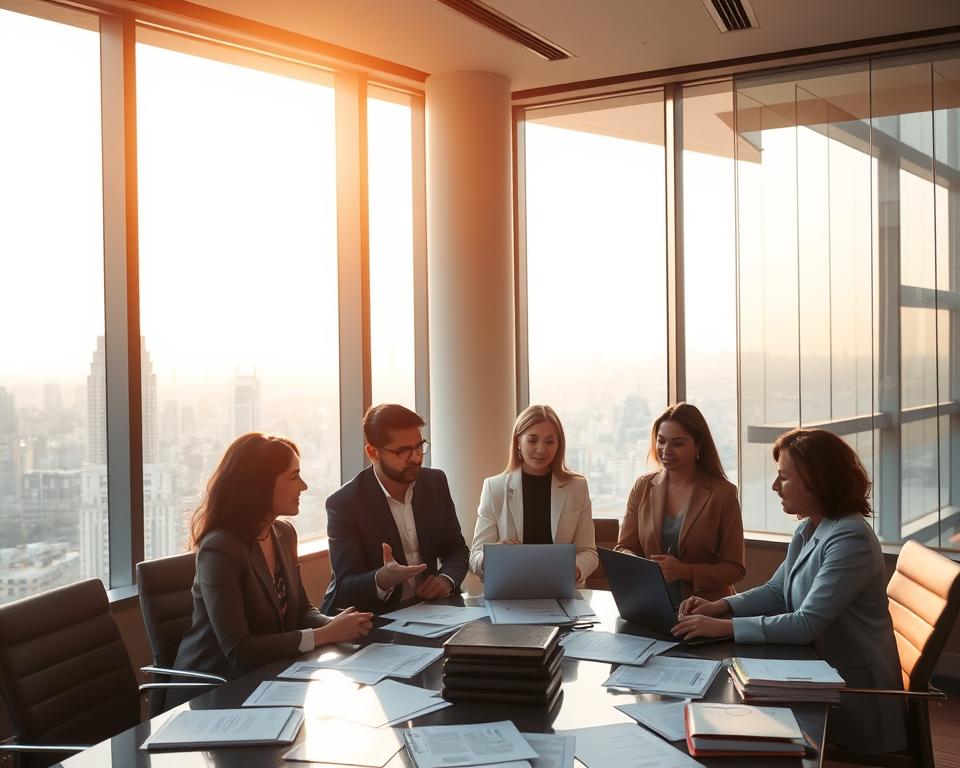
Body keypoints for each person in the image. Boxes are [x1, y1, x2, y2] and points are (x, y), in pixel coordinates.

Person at [672, 428, 907, 754]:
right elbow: (777, 592)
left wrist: (724, 628)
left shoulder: (850, 538)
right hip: (815, 675)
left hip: (852, 698)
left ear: (817, 481)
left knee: (736, 723)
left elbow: (806, 623)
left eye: (784, 477)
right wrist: (721, 607)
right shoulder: (810, 526)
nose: (774, 486)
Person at [173, 433, 373, 690]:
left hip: (268, 676)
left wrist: (335, 624)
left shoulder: (283, 533)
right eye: (293, 477)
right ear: (261, 486)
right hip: (214, 687)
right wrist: (326, 634)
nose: (304, 486)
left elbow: (301, 610)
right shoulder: (220, 549)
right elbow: (239, 650)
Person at [321, 404, 469, 614]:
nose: (416, 457)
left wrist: (446, 579)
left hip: (428, 611)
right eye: (403, 451)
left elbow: (456, 549)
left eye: (419, 446)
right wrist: (381, 580)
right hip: (372, 617)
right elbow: (345, 586)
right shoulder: (345, 503)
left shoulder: (435, 482)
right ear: (373, 453)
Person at [615, 402, 744, 605]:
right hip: (650, 605)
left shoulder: (723, 493)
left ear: (698, 445)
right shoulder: (643, 486)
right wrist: (636, 563)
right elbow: (624, 547)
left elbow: (735, 568)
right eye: (661, 441)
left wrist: (685, 571)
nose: (666, 450)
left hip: (704, 609)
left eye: (678, 443)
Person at [470, 405, 598, 583]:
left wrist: (572, 570)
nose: (541, 449)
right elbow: (475, 556)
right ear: (518, 442)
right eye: (532, 440)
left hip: (562, 590)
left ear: (559, 444)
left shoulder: (577, 487)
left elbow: (589, 552)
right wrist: (493, 556)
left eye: (549, 441)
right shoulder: (494, 487)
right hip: (510, 590)